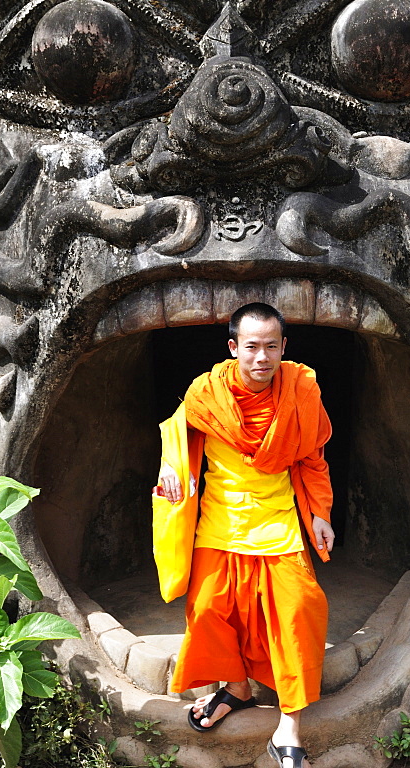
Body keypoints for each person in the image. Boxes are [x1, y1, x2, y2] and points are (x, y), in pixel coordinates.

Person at [153, 302, 335, 768]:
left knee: (299, 612)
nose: (262, 357)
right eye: (251, 347)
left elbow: (312, 457)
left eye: (271, 347)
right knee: (210, 609)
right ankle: (236, 690)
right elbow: (178, 438)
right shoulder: (205, 392)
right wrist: (171, 469)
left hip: (278, 522)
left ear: (283, 348)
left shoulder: (301, 390)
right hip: (221, 522)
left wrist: (319, 512)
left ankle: (289, 726)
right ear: (233, 347)